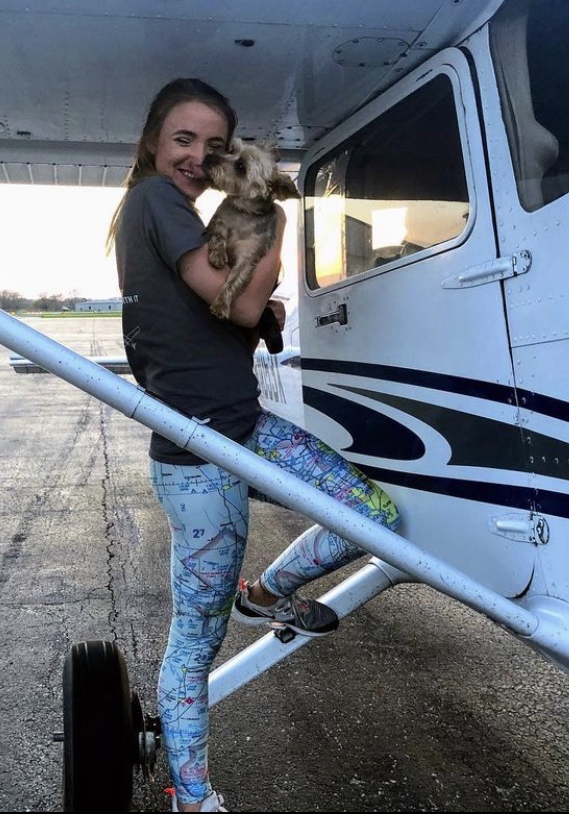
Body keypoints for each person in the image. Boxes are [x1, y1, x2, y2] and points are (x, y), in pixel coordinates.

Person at [110, 77, 400, 813]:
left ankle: (264, 594)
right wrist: (271, 231)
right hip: (196, 452)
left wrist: (256, 305)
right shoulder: (155, 203)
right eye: (183, 139)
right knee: (193, 644)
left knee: (373, 516)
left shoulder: (185, 217)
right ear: (152, 141)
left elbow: (228, 307)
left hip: (243, 424)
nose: (196, 156)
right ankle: (193, 795)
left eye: (212, 147)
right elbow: (234, 298)